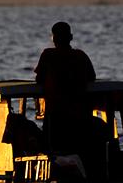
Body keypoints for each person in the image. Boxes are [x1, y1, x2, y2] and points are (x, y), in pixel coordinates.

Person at [34, 21, 96, 151]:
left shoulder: (48, 55)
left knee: (53, 150)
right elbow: (92, 78)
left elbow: (39, 79)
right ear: (71, 38)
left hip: (56, 118)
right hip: (81, 118)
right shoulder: (81, 56)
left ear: (54, 38)